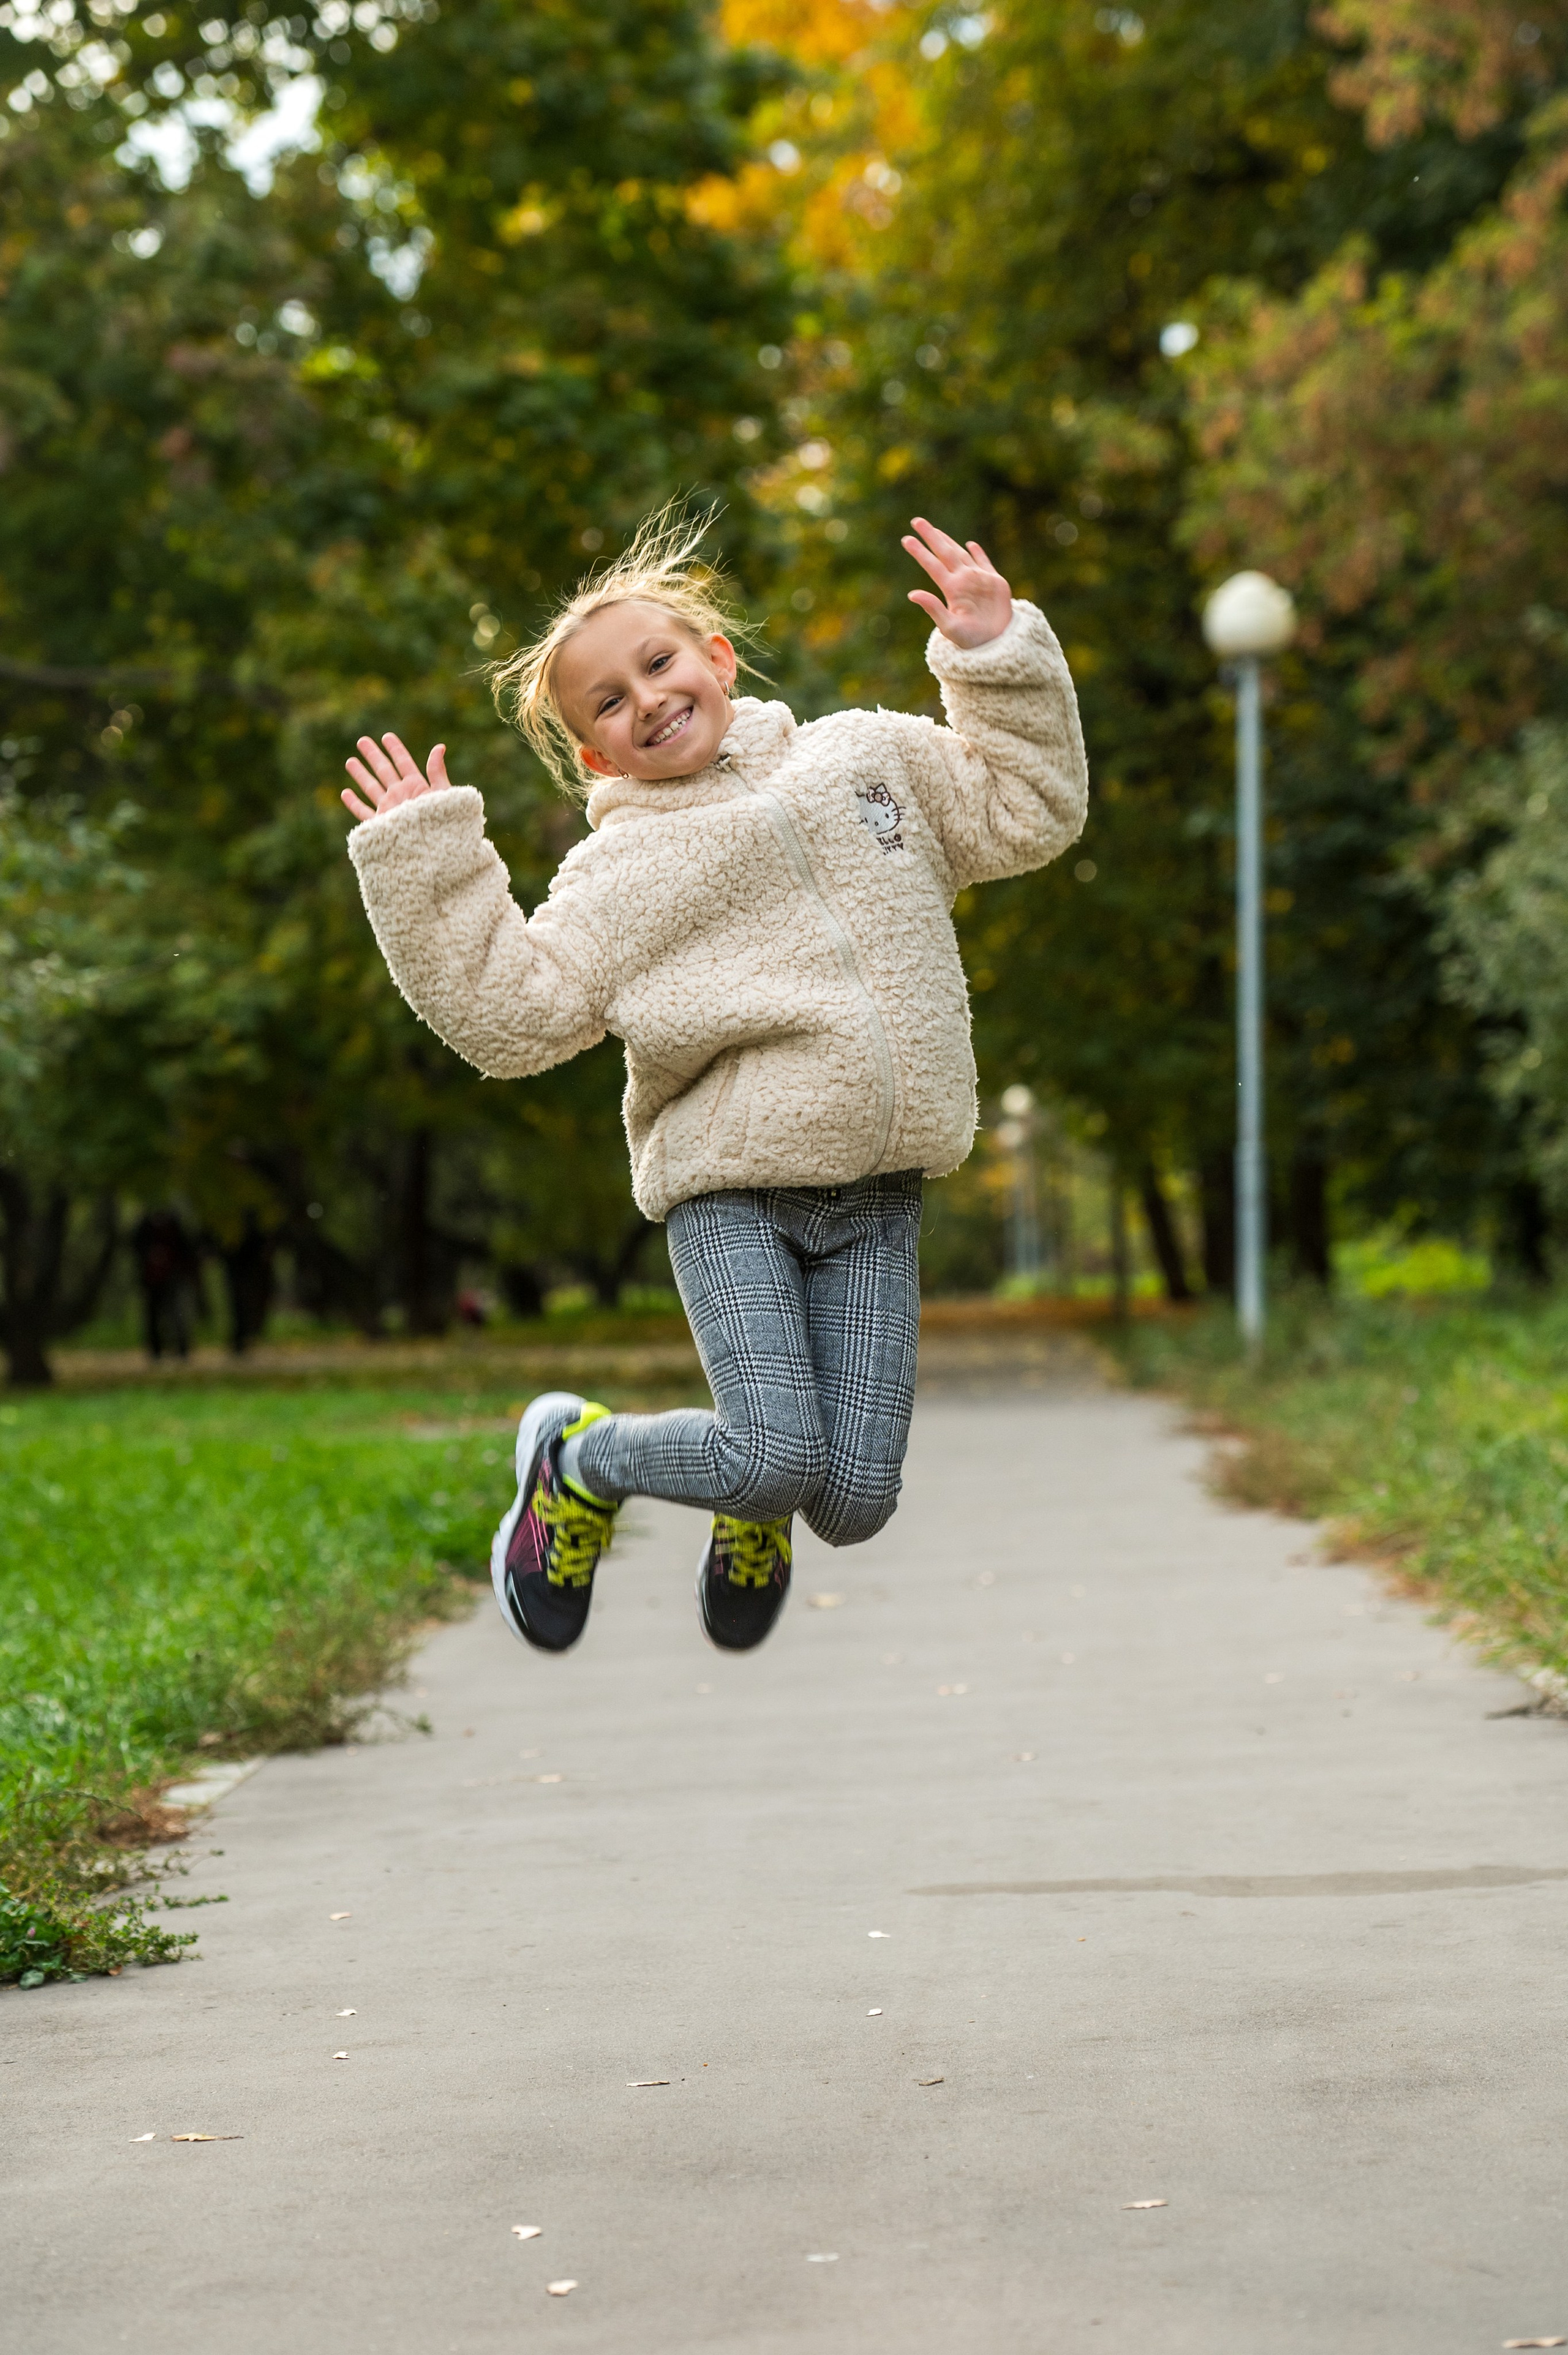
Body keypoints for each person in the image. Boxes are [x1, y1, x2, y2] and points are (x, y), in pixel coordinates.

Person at [342, 509, 1087, 1656]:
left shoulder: (866, 761)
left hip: (880, 1192)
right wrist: (426, 862)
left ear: (717, 659)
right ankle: (575, 1459)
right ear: (597, 754)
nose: (644, 697)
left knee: (853, 1501)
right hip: (730, 1192)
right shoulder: (621, 871)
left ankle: (754, 1518)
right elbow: (516, 1019)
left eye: (658, 662)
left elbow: (1030, 810)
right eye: (607, 702)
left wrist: (994, 660)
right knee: (773, 1454)